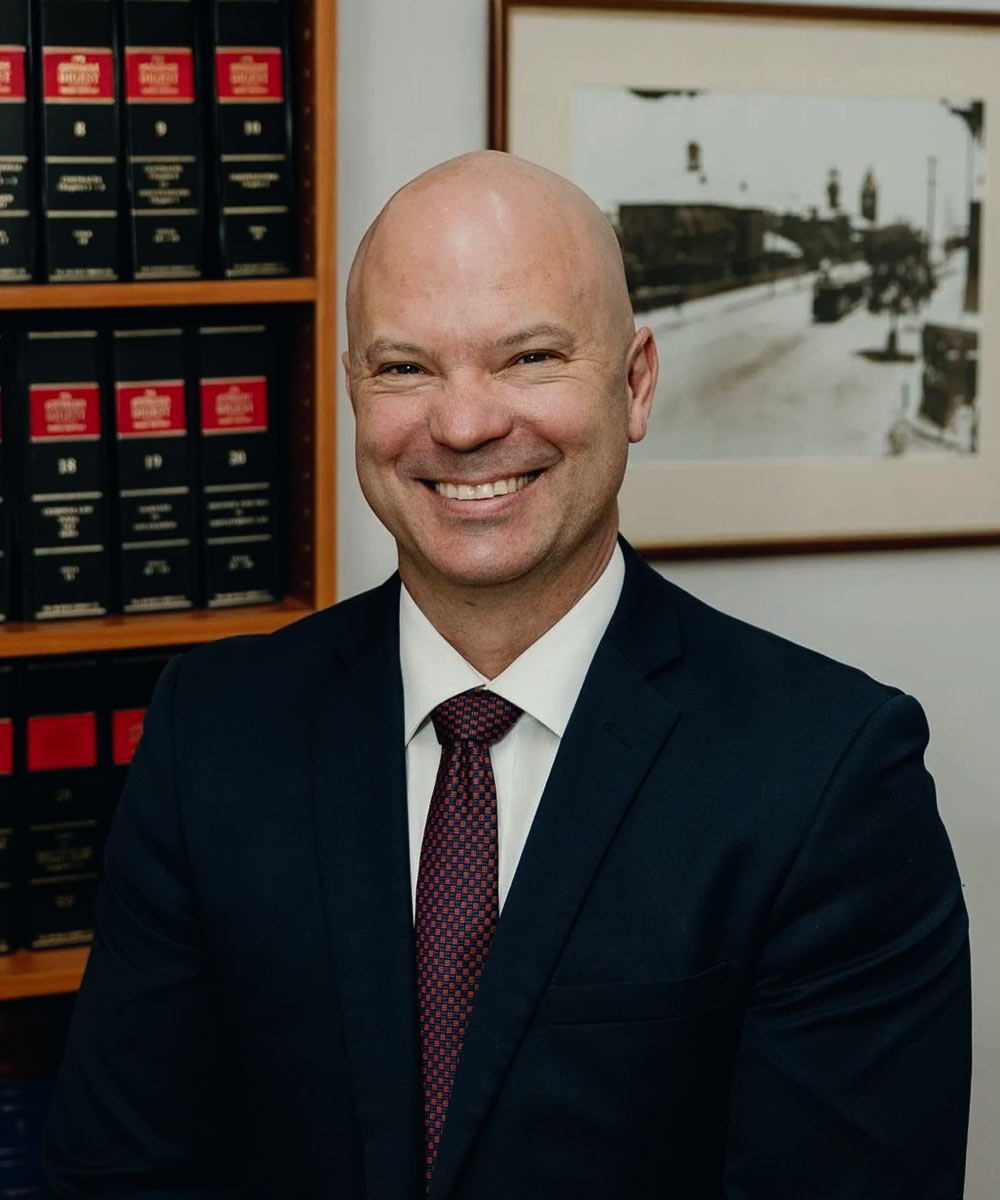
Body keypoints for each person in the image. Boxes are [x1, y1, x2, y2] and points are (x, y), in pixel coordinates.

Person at [44, 152, 971, 1199]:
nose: (465, 424)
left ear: (634, 385)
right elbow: (119, 1176)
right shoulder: (209, 732)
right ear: (351, 391)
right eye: (404, 368)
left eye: (528, 357)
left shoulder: (828, 777)